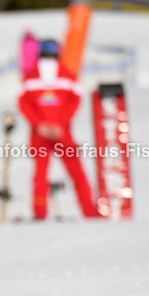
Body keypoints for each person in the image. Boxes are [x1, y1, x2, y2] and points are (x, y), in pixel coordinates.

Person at [18, 39, 101, 220]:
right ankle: (90, 212)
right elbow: (76, 100)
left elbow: (23, 103)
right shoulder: (67, 75)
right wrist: (60, 123)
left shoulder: (30, 76)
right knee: (77, 173)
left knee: (40, 175)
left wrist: (40, 124)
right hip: (62, 133)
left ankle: (40, 214)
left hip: (40, 134)